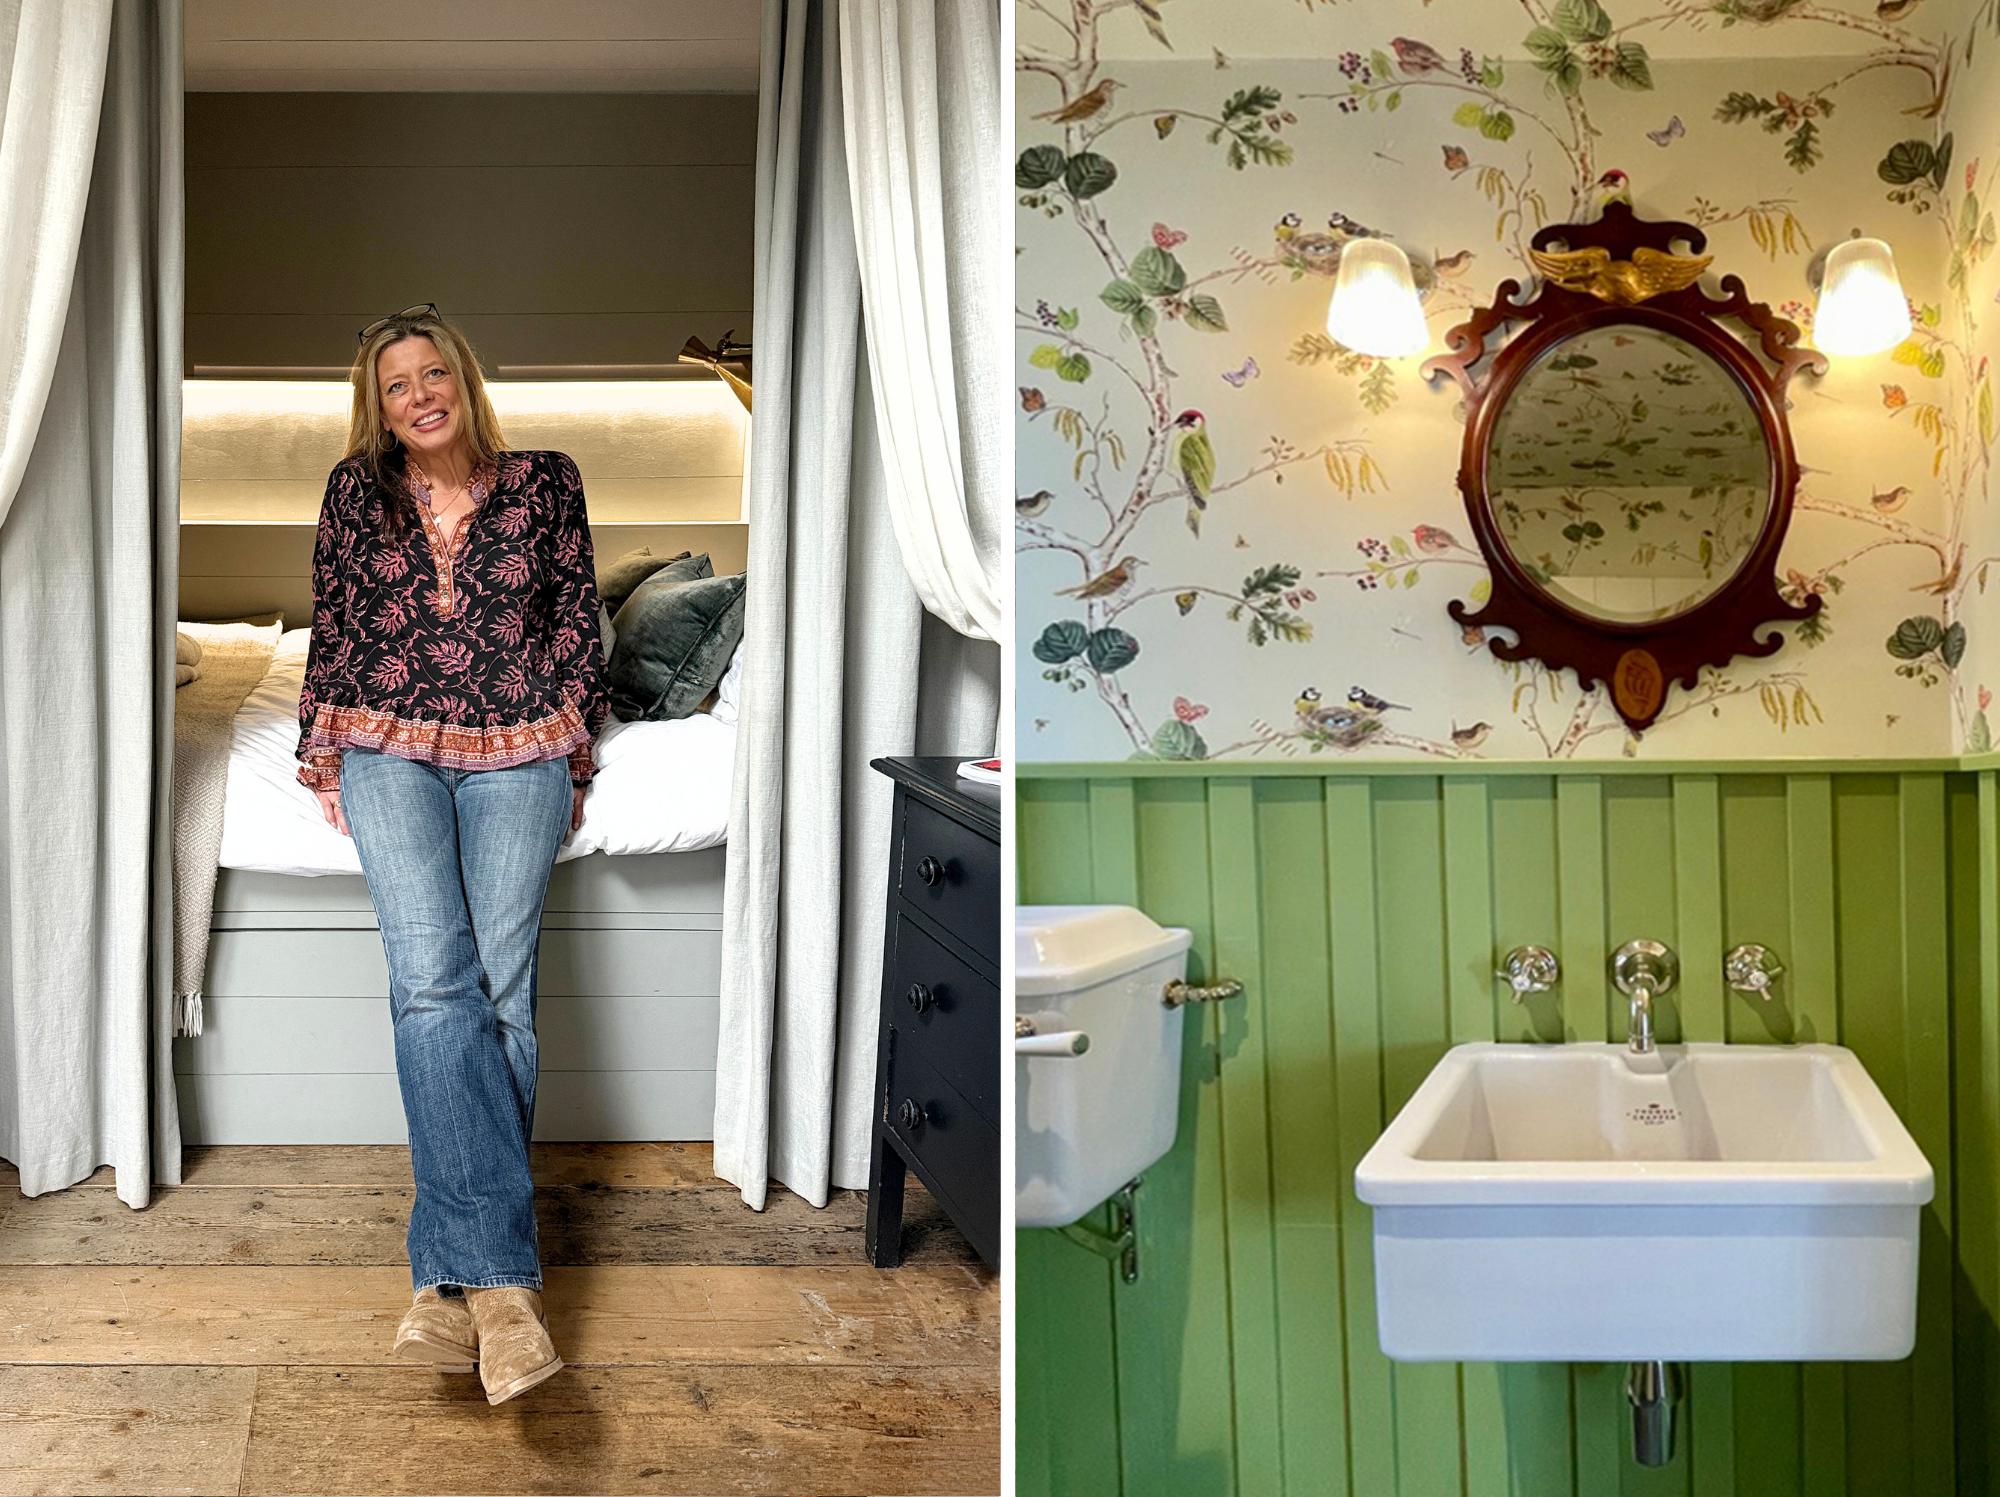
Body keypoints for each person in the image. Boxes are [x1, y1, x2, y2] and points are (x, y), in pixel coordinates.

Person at [295, 304, 609, 1405]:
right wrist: (322, 749)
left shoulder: (548, 481)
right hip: (385, 741)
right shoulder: (352, 492)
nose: (419, 394)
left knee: (501, 993)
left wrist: (568, 725)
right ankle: (507, 1296)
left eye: (434, 374)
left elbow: (577, 617)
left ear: (464, 381)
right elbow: (333, 620)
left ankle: (445, 1289)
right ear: (375, 406)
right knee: (434, 983)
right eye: (396, 385)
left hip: (516, 740)